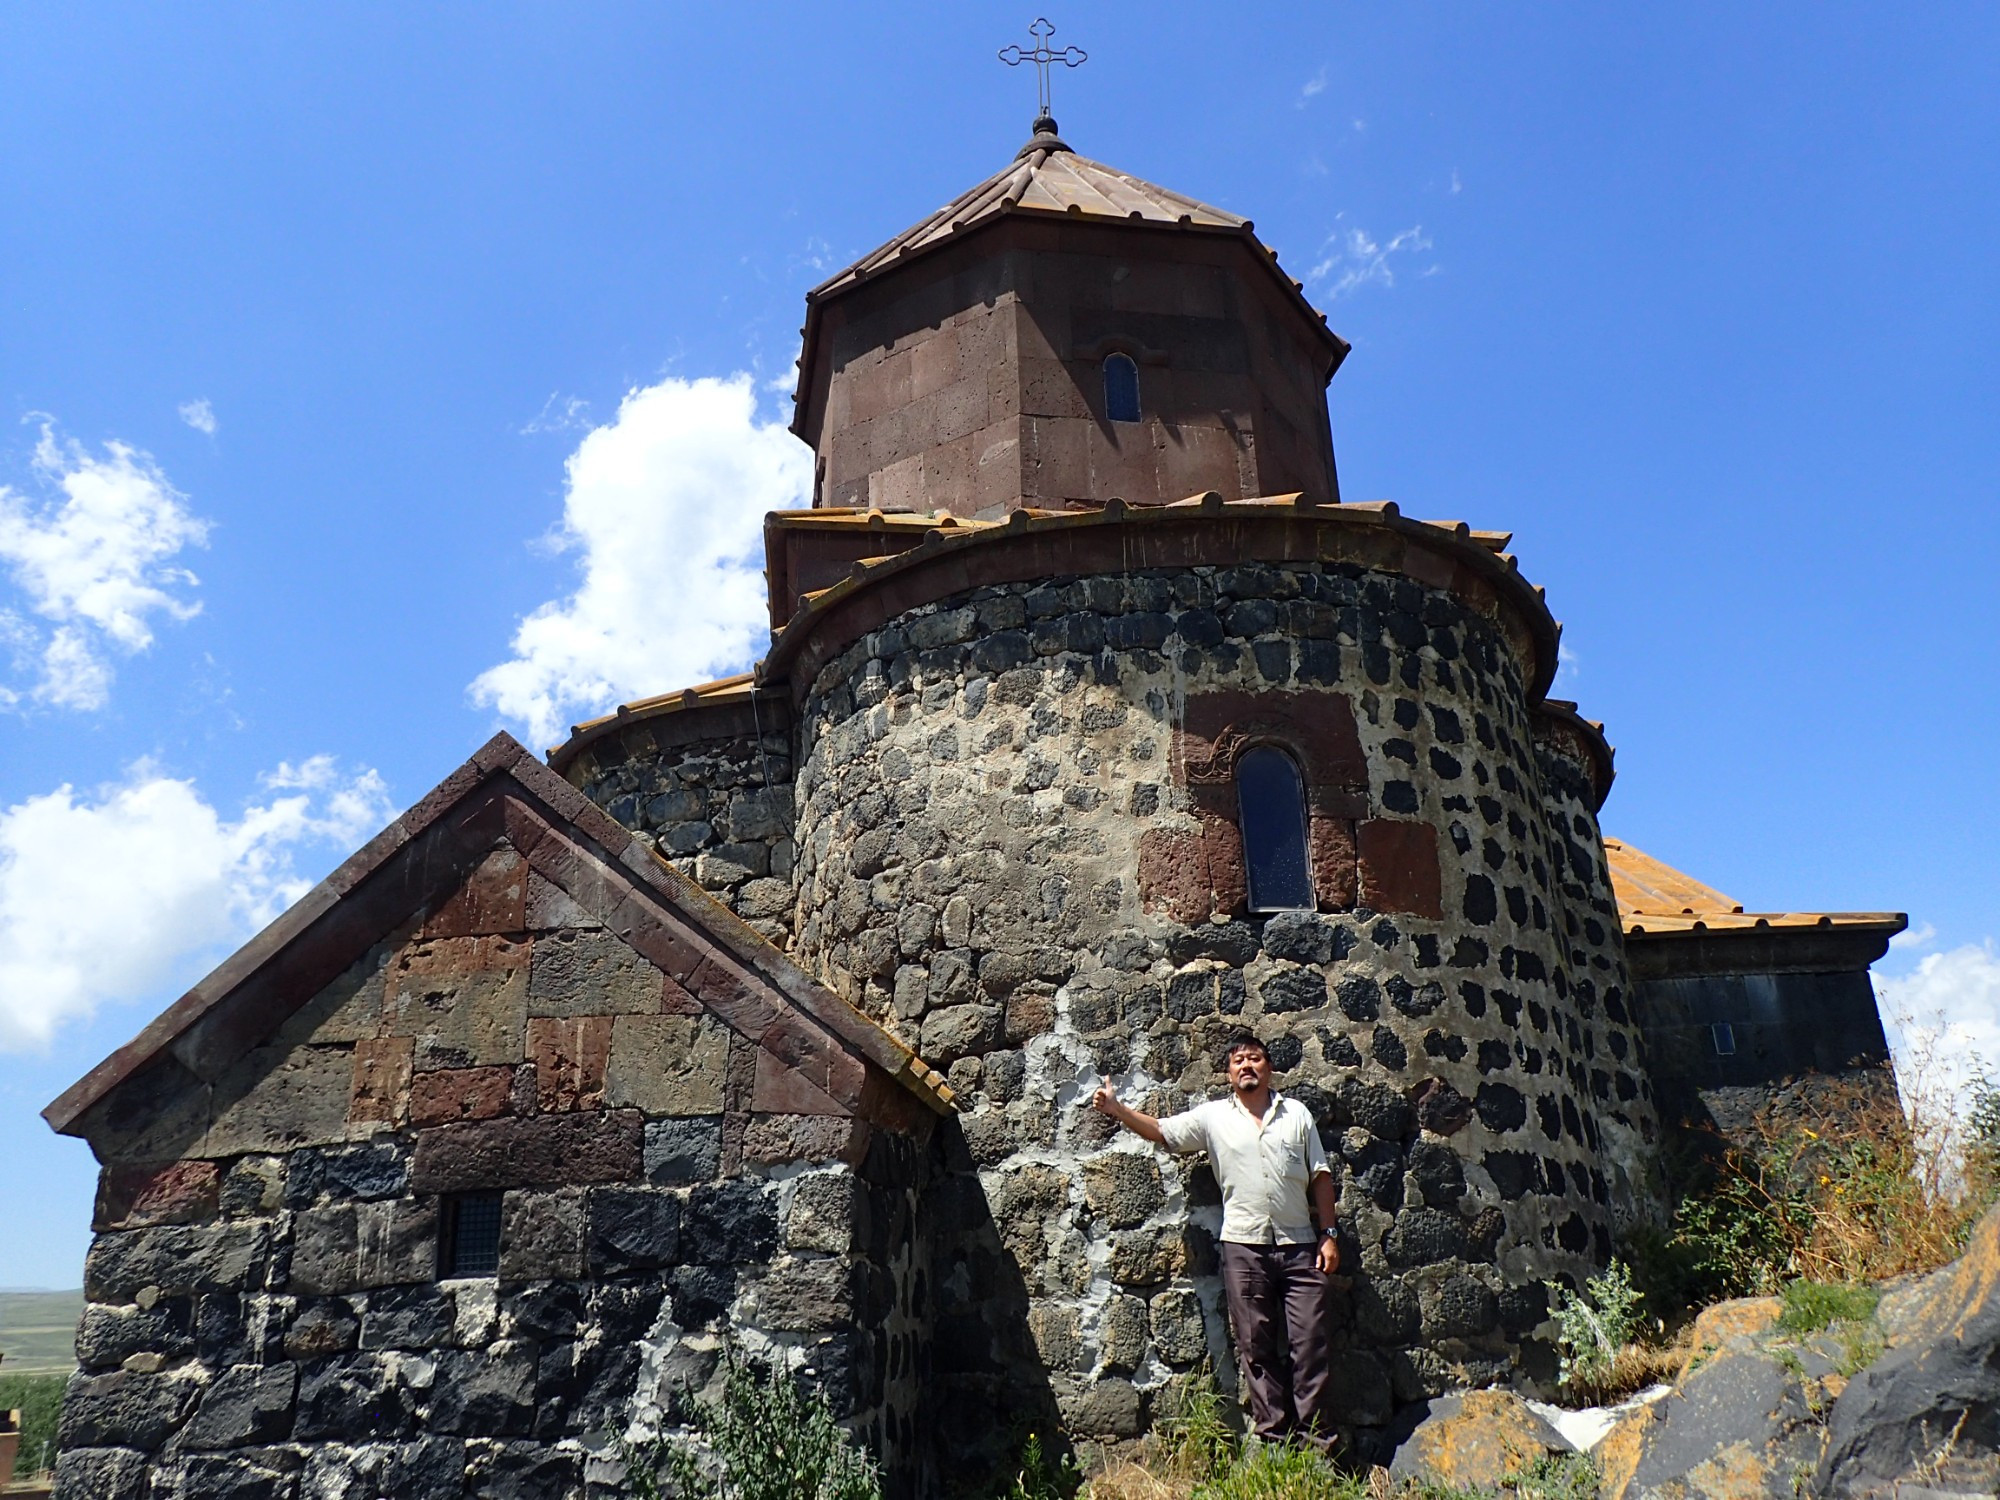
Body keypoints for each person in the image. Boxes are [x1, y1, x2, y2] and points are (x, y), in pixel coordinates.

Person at [1091, 1030, 1343, 1450]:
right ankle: (1276, 1443)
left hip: (1301, 1245)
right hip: (1244, 1248)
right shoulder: (1213, 1118)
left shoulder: (1297, 1114)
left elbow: (1320, 1176)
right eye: (1238, 1060)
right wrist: (1118, 1109)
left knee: (1311, 1345)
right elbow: (1161, 1131)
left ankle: (1317, 1445)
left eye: (1255, 1058)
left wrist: (1328, 1235)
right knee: (1256, 1348)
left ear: (1269, 1067)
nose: (1247, 1065)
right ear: (1229, 1073)